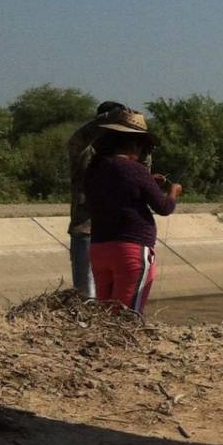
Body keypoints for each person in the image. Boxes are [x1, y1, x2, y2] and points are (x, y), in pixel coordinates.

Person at [84, 108, 181, 315]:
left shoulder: (94, 169)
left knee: (105, 313)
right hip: (130, 250)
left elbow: (116, 190)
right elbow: (164, 208)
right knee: (127, 315)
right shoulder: (135, 169)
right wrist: (173, 192)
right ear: (133, 143)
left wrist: (147, 181)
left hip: (99, 248)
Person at [66, 100, 126, 297]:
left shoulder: (120, 155)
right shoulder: (85, 153)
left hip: (116, 232)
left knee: (114, 292)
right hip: (87, 230)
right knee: (87, 294)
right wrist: (106, 119)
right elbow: (77, 140)